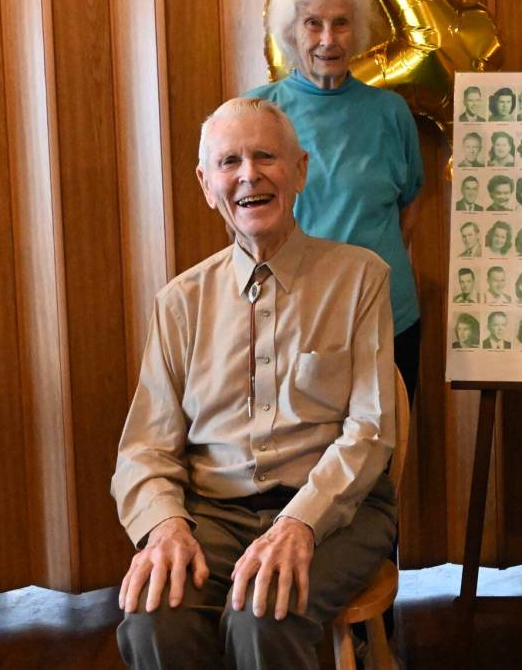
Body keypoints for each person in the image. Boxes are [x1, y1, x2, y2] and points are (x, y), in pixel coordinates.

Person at [112, 98, 397, 669]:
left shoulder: (360, 277)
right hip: (212, 514)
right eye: (229, 162)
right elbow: (144, 447)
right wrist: (166, 525)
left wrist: (299, 522)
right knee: (152, 617)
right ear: (206, 182)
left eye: (266, 156)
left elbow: (370, 430)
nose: (249, 175)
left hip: (337, 512)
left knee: (264, 613)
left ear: (299, 171)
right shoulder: (180, 303)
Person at [248, 0, 424, 402]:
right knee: (301, 452)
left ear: (358, 30)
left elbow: (409, 207)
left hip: (387, 314)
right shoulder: (258, 113)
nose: (328, 39)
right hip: (294, 315)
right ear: (291, 32)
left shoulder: (391, 112)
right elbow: (242, 213)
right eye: (313, 24)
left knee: (384, 454)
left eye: (341, 23)